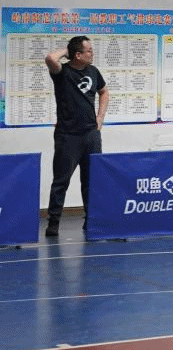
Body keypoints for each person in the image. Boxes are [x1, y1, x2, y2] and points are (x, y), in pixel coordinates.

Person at [43, 36, 109, 238]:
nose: (92, 54)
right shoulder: (62, 72)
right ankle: (53, 223)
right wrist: (67, 50)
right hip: (67, 136)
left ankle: (91, 220)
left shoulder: (93, 71)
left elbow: (104, 92)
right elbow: (50, 58)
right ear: (78, 55)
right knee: (61, 182)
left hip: (91, 135)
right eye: (89, 51)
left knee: (91, 181)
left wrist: (100, 117)